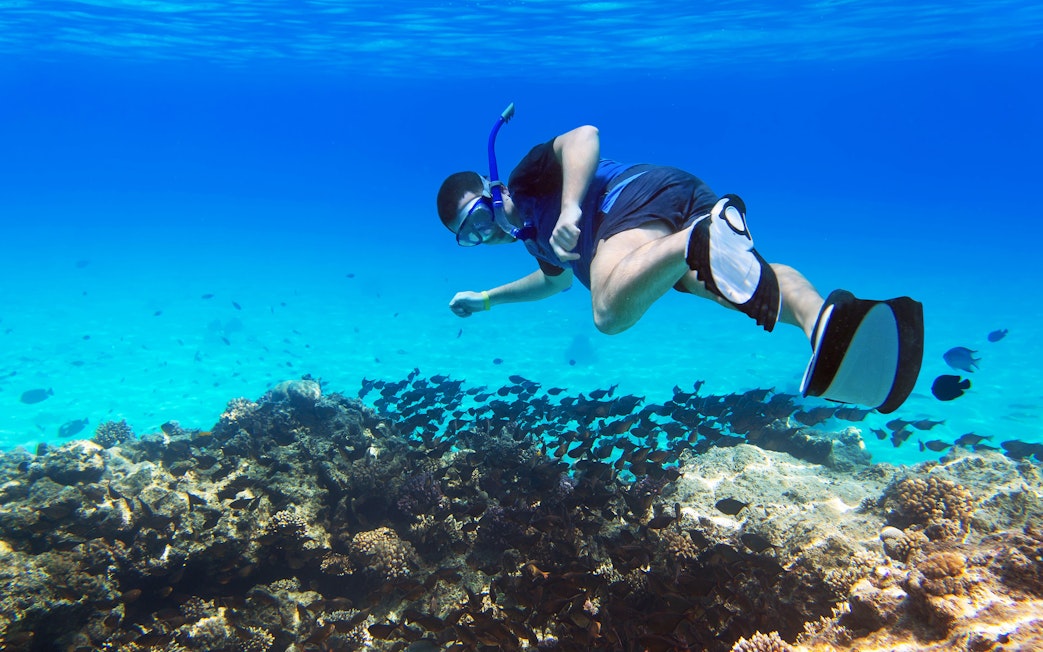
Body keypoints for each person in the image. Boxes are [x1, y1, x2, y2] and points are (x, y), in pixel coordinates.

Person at [436, 122, 923, 414]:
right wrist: (484, 301)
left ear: (490, 187)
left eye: (479, 219)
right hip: (674, 199)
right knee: (739, 283)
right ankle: (827, 324)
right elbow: (553, 282)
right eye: (471, 237)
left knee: (608, 313)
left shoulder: (524, 181)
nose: (486, 235)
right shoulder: (533, 240)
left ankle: (697, 238)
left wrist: (569, 208)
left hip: (631, 196)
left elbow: (584, 136)